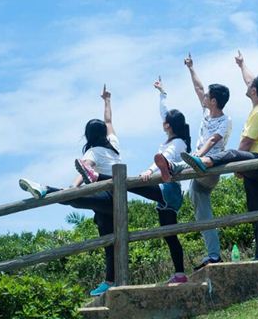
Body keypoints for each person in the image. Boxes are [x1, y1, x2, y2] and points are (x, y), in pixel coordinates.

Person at [18, 85, 120, 296]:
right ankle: (111, 281)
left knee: (75, 199)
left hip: (106, 197)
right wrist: (107, 100)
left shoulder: (92, 152)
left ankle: (46, 189)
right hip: (115, 199)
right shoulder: (113, 145)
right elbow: (109, 121)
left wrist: (72, 189)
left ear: (87, 136)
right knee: (110, 243)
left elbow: (86, 167)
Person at [181, 50, 258, 260]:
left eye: (250, 86)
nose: (248, 85)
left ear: (254, 91)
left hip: (256, 162)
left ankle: (201, 162)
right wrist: (242, 65)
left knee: (232, 153)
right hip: (256, 164)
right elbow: (251, 81)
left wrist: (238, 167)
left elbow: (241, 144)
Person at [154, 53, 232, 271]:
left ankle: (173, 167)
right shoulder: (207, 113)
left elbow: (212, 140)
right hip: (197, 171)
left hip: (210, 167)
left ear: (214, 101)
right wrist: (191, 68)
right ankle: (213, 256)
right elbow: (199, 88)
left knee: (200, 198)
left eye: (208, 96)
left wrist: (197, 156)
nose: (204, 97)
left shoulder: (225, 121)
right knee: (202, 211)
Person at [133, 77, 191, 283]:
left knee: (132, 186)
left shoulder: (178, 143)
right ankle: (180, 274)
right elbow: (164, 112)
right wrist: (162, 93)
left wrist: (151, 170)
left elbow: (165, 156)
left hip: (171, 190)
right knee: (169, 234)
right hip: (166, 193)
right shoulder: (173, 137)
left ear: (169, 125)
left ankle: (102, 178)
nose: (162, 121)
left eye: (165, 121)